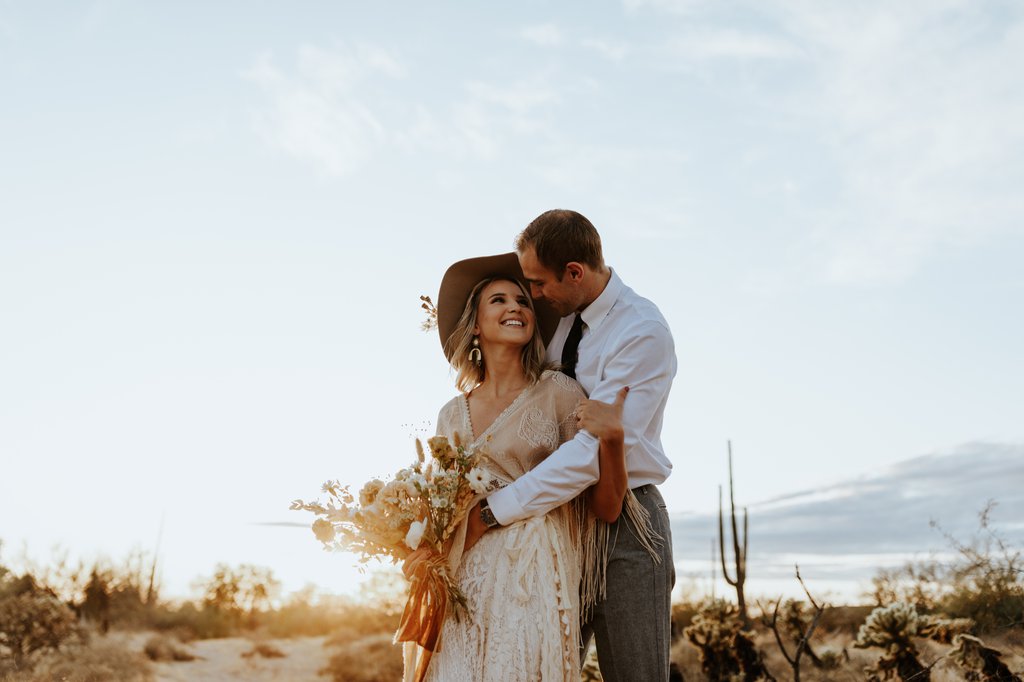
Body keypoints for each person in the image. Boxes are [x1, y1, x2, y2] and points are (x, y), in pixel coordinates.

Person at [465, 209, 678, 681]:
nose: (533, 296)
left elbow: (588, 452)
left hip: (624, 518)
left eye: (538, 284)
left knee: (635, 674)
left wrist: (491, 511)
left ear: (575, 273)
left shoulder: (641, 331)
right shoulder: (564, 316)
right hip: (554, 526)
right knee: (545, 668)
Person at [403, 252, 630, 682]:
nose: (516, 308)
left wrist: (614, 442)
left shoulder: (561, 393)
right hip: (464, 574)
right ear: (474, 324)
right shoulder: (451, 414)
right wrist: (417, 545)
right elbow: (438, 506)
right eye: (499, 300)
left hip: (532, 574)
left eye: (524, 301)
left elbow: (598, 496)